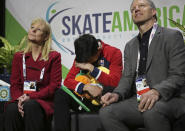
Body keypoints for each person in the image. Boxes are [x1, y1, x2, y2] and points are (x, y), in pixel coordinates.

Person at [99, 0, 185, 131]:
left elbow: (178, 75)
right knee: (107, 112)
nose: (136, 9)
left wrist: (156, 91)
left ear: (153, 11)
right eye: (133, 8)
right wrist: (116, 94)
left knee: (152, 111)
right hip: (139, 100)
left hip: (171, 98)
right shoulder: (130, 46)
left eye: (142, 6)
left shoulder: (172, 36)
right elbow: (127, 77)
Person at [54, 34, 123, 131]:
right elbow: (68, 81)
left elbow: (116, 82)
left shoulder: (114, 52)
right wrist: (86, 87)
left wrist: (91, 68)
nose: (86, 62)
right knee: (61, 94)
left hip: (104, 99)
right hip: (85, 98)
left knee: (111, 89)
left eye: (88, 60)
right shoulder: (82, 55)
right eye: (84, 61)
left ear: (98, 50)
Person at [4, 18, 62, 131]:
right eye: (32, 27)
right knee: (11, 108)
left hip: (43, 101)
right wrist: (19, 99)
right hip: (22, 98)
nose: (33, 30)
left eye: (38, 29)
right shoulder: (19, 57)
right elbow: (15, 84)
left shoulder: (54, 56)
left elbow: (54, 85)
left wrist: (31, 97)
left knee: (30, 106)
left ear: (45, 37)